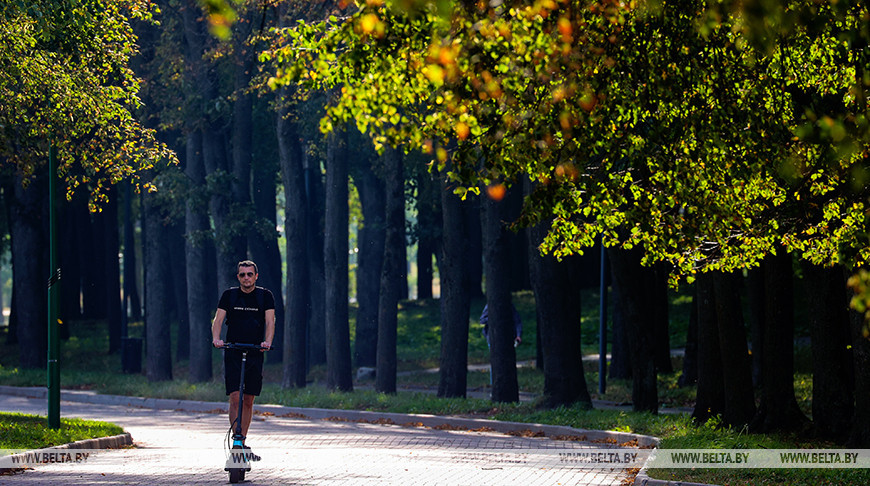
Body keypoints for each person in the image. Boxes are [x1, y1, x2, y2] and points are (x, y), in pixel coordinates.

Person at [212, 260, 275, 460]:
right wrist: (216, 338)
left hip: (255, 351)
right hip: (233, 350)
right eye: (242, 275)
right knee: (235, 397)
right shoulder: (229, 296)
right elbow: (218, 320)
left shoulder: (265, 296)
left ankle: (242, 441)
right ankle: (236, 440)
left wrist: (267, 341)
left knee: (248, 399)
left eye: (249, 274)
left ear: (256, 276)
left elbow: (270, 321)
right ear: (238, 277)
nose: (246, 278)